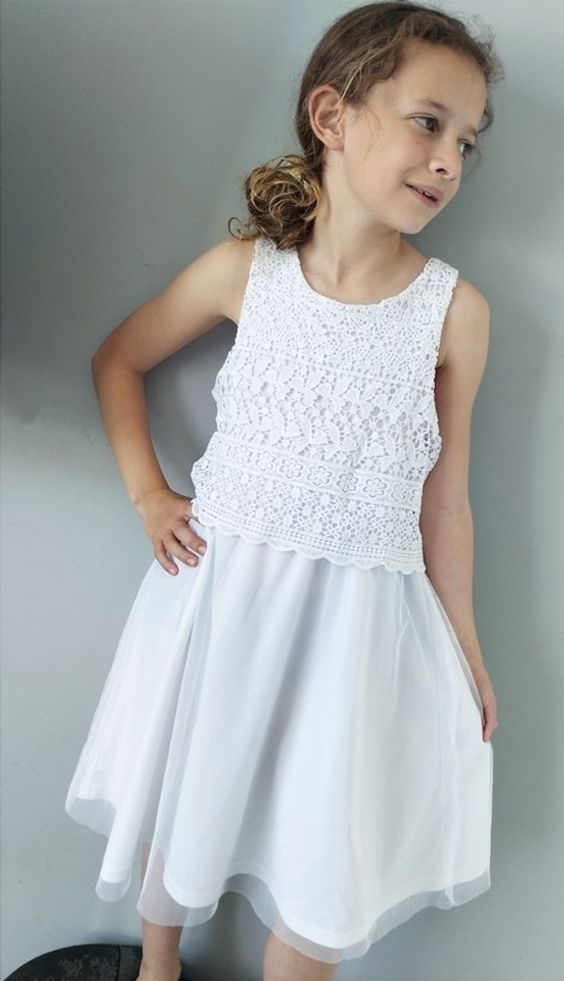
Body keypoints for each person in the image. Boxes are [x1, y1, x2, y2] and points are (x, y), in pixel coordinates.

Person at [64, 3, 505, 979]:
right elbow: (118, 360)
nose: (448, 161)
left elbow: (446, 499)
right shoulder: (246, 275)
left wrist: (465, 646)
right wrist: (149, 495)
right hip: (222, 595)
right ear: (333, 116)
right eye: (428, 123)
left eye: (467, 143)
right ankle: (159, 965)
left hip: (356, 626)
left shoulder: (454, 314)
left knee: (322, 843)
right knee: (187, 788)